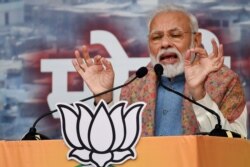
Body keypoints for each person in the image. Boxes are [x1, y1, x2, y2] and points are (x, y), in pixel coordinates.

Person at [72, 5, 247, 137]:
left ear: (196, 38)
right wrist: (104, 98)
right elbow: (113, 144)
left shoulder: (225, 81)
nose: (165, 44)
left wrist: (199, 94)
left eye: (175, 35)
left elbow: (237, 143)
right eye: (156, 37)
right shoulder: (135, 85)